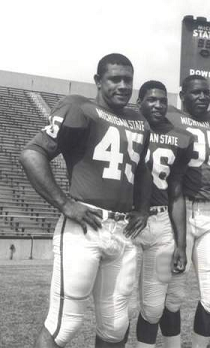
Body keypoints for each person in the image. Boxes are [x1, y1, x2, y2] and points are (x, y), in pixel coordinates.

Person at [20, 53, 151, 348]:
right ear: (98, 81)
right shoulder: (80, 108)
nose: (122, 85)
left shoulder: (138, 121)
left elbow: (143, 169)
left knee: (116, 327)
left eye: (127, 79)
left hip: (122, 232)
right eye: (114, 79)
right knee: (64, 326)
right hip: (85, 227)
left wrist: (142, 208)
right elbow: (31, 154)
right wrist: (65, 204)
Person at [165, 75, 210, 348]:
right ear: (182, 95)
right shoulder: (170, 118)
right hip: (178, 211)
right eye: (195, 93)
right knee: (173, 296)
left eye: (206, 93)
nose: (202, 97)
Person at [134, 80, 193, 348]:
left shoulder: (180, 138)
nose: (158, 104)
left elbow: (176, 193)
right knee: (118, 303)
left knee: (158, 303)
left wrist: (181, 243)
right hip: (127, 222)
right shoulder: (126, 126)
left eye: (162, 100)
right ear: (139, 103)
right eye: (151, 99)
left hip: (161, 224)